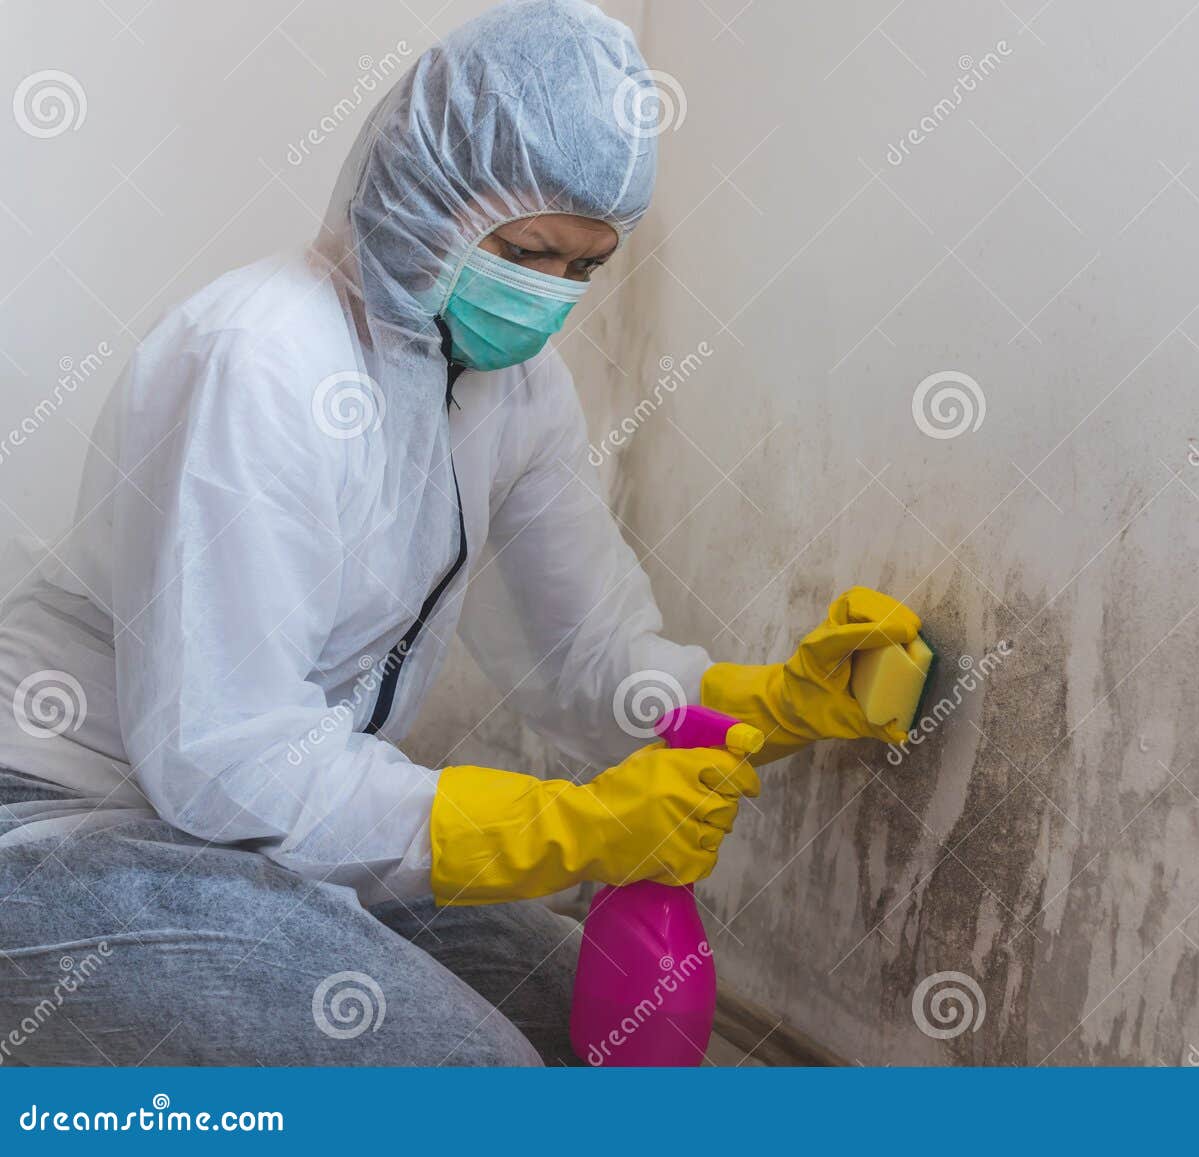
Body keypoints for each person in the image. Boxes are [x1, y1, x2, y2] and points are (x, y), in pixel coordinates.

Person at [0, 0, 918, 1066]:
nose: (549, 297)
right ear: (425, 192)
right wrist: (569, 827)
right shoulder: (261, 358)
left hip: (256, 841)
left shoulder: (514, 390)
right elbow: (224, 758)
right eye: (527, 250)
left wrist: (768, 704)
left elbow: (586, 657)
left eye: (584, 267)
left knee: (588, 1012)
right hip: (68, 827)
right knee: (475, 1078)